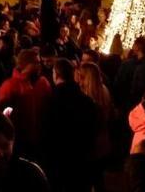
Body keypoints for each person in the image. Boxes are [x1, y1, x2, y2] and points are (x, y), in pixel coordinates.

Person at [43, 58, 98, 192]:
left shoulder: (50, 101)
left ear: (55, 74)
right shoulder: (87, 101)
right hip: (81, 160)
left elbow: (46, 132)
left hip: (58, 161)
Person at [0, 49, 51, 159]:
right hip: (20, 141)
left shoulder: (43, 83)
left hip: (42, 139)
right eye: (36, 63)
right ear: (25, 64)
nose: (39, 65)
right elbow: (5, 115)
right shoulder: (9, 86)